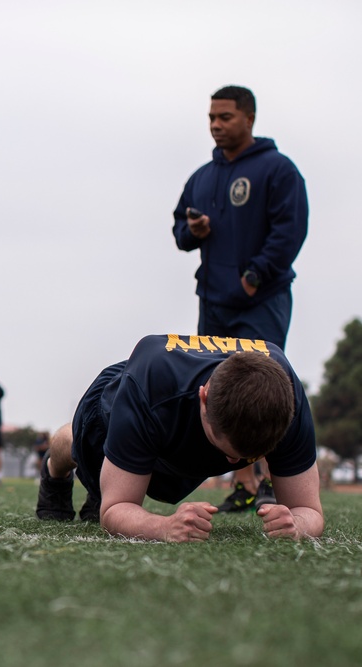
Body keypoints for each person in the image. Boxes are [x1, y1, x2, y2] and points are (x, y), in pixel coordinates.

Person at [35, 334, 323, 542]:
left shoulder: (287, 398)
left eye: (250, 456)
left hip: (176, 428)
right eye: (229, 451)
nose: (234, 463)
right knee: (75, 446)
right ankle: (54, 472)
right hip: (118, 405)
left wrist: (297, 524)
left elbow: (309, 510)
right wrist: (164, 527)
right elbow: (116, 509)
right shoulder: (149, 389)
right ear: (203, 398)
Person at [173, 85, 309, 515]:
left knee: (265, 383)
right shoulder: (202, 177)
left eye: (225, 117)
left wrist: (254, 277)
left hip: (260, 300)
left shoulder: (279, 170)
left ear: (248, 118)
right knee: (219, 388)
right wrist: (191, 232)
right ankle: (244, 484)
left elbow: (290, 231)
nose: (216, 125)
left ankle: (271, 482)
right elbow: (179, 230)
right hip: (212, 301)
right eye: (211, 117)